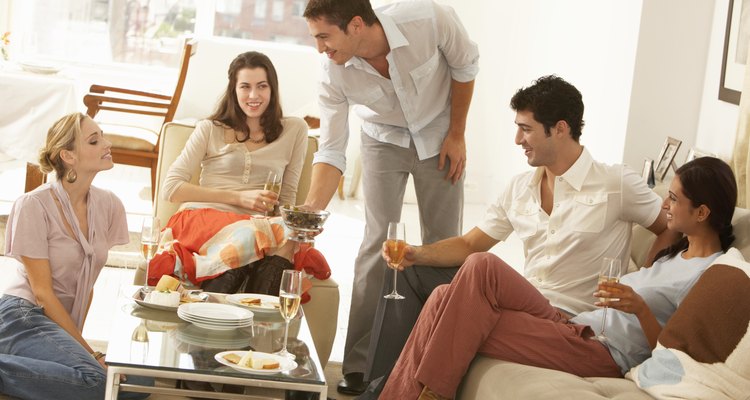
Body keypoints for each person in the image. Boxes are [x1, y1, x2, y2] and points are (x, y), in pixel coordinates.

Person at [356, 75, 680, 398]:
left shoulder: (615, 183)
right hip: (530, 310)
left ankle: (422, 393)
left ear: (561, 128)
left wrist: (645, 278)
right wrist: (417, 253)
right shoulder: (519, 188)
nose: (517, 139)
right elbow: (470, 243)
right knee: (441, 293)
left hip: (577, 321)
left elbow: (668, 227)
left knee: (479, 270)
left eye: (526, 129)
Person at [381, 156, 737, 399]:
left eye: (673, 200)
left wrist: (641, 307)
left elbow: (673, 352)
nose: (664, 206)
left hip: (602, 353)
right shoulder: (675, 252)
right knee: (465, 278)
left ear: (702, 212)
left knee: (460, 286)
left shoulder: (711, 275)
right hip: (573, 325)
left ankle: (433, 393)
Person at [302, 0, 479, 393]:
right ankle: (360, 366)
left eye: (324, 37)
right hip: (382, 140)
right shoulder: (332, 72)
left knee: (444, 244)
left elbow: (466, 65)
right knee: (376, 243)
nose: (320, 49)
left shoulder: (428, 18)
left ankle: (432, 365)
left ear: (357, 25)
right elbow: (331, 150)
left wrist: (457, 134)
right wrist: (309, 214)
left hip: (440, 136)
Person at [0, 112, 151, 400]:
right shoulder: (33, 205)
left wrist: (71, 348)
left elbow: (87, 283)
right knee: (98, 381)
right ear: (67, 155)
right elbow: (42, 294)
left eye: (102, 136)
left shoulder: (109, 205)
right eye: (95, 141)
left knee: (141, 382)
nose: (107, 143)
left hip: (54, 324)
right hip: (21, 316)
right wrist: (89, 352)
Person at [158, 51, 310, 293]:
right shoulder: (209, 129)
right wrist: (240, 198)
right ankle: (220, 318)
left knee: (285, 236)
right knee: (251, 236)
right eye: (245, 87)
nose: (253, 95)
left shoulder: (295, 129)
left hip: (256, 228)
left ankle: (254, 320)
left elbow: (287, 196)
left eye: (262, 86)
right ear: (233, 90)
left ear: (272, 89)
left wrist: (285, 228)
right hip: (202, 219)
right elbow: (171, 188)